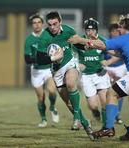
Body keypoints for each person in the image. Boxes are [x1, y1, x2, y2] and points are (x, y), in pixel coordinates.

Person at [68, 14, 129, 141]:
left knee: (111, 93)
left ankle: (108, 127)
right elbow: (118, 53)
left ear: (126, 28)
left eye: (120, 27)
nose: (118, 30)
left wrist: (81, 40)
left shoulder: (125, 38)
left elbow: (102, 45)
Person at [36, 11, 93, 140]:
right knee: (69, 104)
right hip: (56, 71)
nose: (52, 27)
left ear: (60, 22)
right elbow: (39, 59)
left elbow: (79, 45)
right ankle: (86, 124)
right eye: (50, 24)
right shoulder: (45, 37)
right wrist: (54, 57)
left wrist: (87, 46)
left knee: (71, 83)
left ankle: (77, 118)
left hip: (70, 63)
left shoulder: (68, 30)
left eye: (55, 24)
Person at [73, 18, 111, 128]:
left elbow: (114, 52)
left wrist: (107, 62)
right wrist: (78, 65)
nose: (90, 32)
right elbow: (72, 56)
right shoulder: (80, 42)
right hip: (86, 77)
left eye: (93, 30)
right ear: (85, 31)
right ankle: (95, 112)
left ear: (97, 30)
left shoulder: (102, 40)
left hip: (101, 74)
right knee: (93, 105)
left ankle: (106, 127)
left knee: (104, 101)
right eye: (88, 30)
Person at [24, 14, 59, 128]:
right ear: (32, 25)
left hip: (47, 70)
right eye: (34, 23)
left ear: (42, 23)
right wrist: (40, 59)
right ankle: (43, 119)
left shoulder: (48, 35)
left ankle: (53, 107)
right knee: (40, 98)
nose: (37, 24)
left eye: (39, 22)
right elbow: (27, 59)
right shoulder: (29, 40)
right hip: (36, 72)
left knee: (52, 90)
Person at [102, 23, 127, 124]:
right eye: (113, 31)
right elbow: (101, 56)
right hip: (107, 69)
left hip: (120, 68)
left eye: (117, 31)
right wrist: (106, 68)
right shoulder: (106, 42)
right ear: (110, 32)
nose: (115, 33)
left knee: (119, 92)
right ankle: (110, 115)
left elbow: (122, 56)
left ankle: (117, 114)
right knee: (108, 93)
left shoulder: (122, 41)